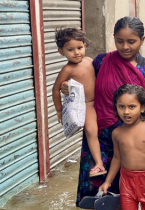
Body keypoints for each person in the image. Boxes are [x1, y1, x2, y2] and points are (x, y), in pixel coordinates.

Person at [59, 17, 145, 207]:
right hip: (99, 135)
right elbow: (81, 77)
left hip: (132, 139)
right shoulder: (102, 61)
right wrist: (67, 85)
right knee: (95, 193)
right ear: (114, 39)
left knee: (129, 190)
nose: (125, 46)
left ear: (142, 40)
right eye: (120, 41)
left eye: (131, 42)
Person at [52, 28, 106, 177]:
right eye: (70, 49)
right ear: (61, 52)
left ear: (85, 46)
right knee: (90, 131)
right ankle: (99, 163)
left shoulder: (90, 61)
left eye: (79, 48)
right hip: (87, 105)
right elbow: (55, 90)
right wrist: (59, 110)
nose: (76, 52)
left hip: (101, 102)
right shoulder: (67, 69)